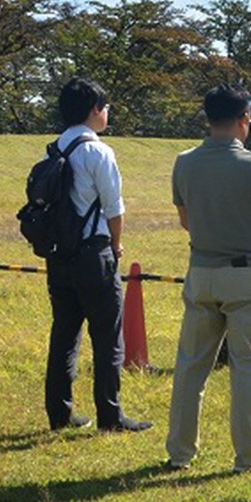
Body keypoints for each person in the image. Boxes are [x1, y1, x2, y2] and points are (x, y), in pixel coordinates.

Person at [166, 85, 251, 472]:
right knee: (247, 367)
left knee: (191, 366)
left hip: (200, 270)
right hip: (244, 272)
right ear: (246, 119)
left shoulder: (184, 162)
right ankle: (249, 453)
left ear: (207, 118)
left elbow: (186, 220)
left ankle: (180, 452)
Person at [43, 78, 151, 434]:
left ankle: (59, 413)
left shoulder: (55, 147)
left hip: (59, 254)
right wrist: (117, 245)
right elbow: (113, 208)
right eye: (105, 107)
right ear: (94, 110)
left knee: (64, 334)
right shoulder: (98, 151)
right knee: (107, 337)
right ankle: (110, 415)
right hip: (93, 252)